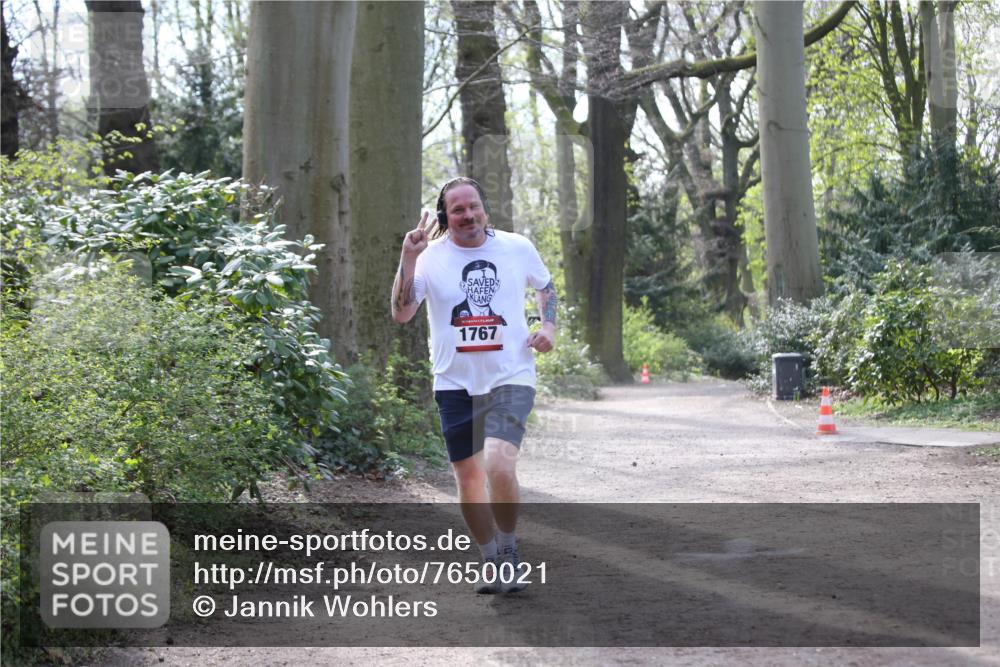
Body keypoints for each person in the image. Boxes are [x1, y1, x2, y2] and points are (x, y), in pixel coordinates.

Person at [390, 177, 557, 594]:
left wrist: (549, 325)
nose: (468, 215)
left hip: (510, 376)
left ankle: (509, 549)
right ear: (446, 216)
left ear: (485, 208)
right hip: (453, 382)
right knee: (468, 479)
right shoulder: (431, 258)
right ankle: (489, 558)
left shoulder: (516, 247)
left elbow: (546, 287)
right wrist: (408, 259)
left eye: (474, 206)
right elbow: (402, 313)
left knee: (499, 465)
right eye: (458, 209)